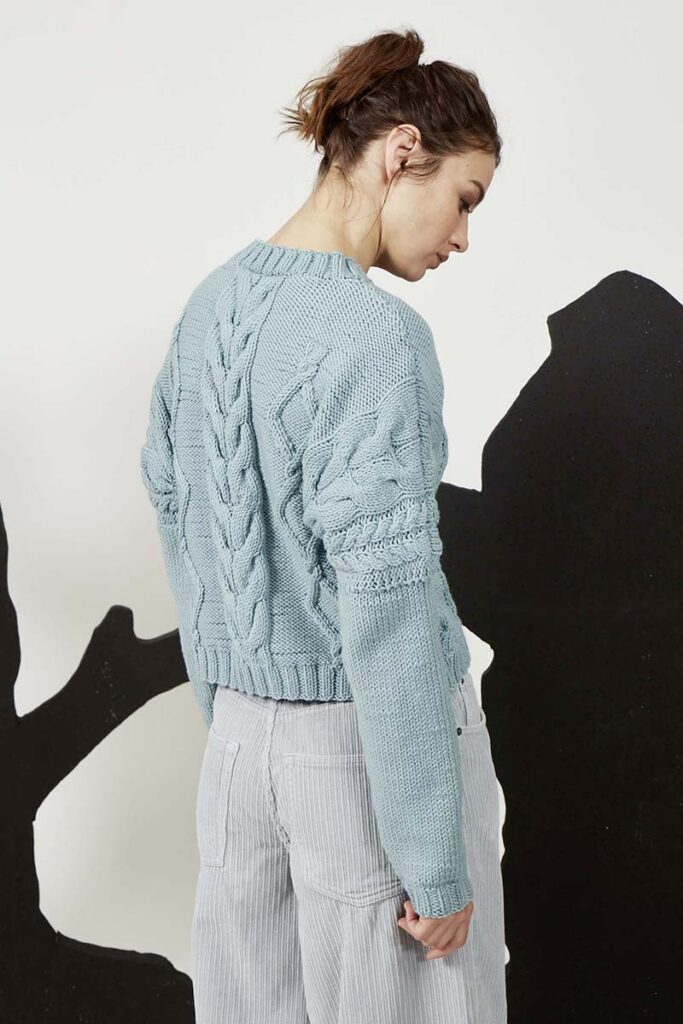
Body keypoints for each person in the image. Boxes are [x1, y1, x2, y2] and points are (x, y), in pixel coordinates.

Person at [140, 26, 506, 1024]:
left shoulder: (211, 307)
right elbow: (385, 609)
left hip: (238, 749)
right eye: (464, 199)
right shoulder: (377, 337)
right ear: (401, 152)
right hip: (367, 757)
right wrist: (433, 863)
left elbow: (175, 513)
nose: (461, 237)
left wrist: (236, 714)